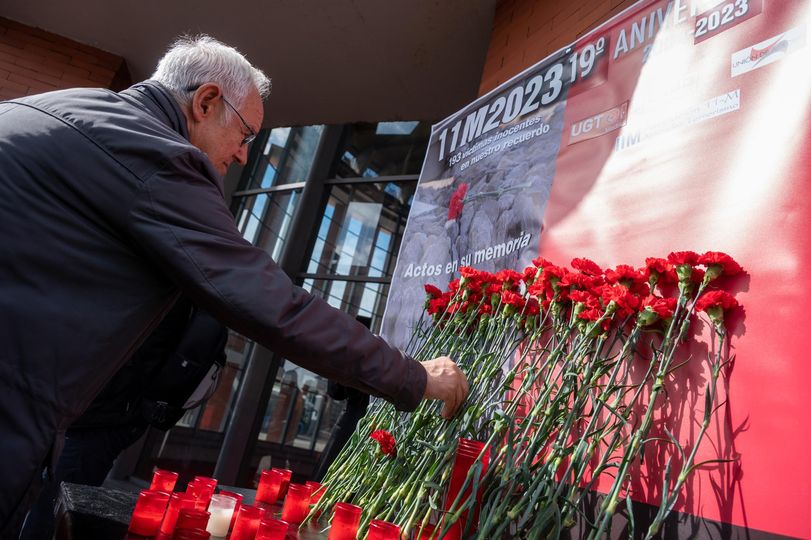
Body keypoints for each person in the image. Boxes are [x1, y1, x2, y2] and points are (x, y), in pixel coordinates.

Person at [0, 34, 468, 535]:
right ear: (205, 102)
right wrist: (413, 376)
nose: (244, 156)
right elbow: (272, 305)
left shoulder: (46, 107)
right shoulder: (155, 156)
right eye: (245, 135)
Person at [18, 297, 227, 539]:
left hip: (102, 419)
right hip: (103, 415)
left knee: (55, 507)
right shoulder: (179, 299)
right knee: (53, 501)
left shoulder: (166, 300)